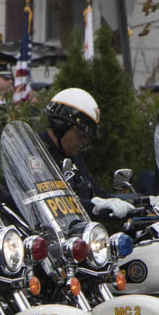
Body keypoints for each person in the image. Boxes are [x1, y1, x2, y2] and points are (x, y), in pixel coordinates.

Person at [39, 88, 136, 219]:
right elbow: (50, 203)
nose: (84, 141)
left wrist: (144, 201)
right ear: (60, 126)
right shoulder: (37, 155)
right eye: (81, 135)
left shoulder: (72, 156)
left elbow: (99, 195)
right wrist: (93, 207)